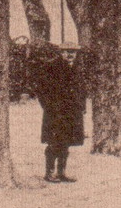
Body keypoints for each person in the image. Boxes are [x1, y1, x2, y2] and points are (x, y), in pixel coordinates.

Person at [36, 45, 86, 183]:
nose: (71, 54)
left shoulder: (76, 67)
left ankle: (61, 172)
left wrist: (82, 106)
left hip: (72, 112)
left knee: (67, 142)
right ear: (61, 52)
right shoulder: (51, 66)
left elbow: (81, 88)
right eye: (67, 51)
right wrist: (49, 106)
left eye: (73, 52)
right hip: (55, 112)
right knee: (54, 142)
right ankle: (49, 172)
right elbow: (41, 89)